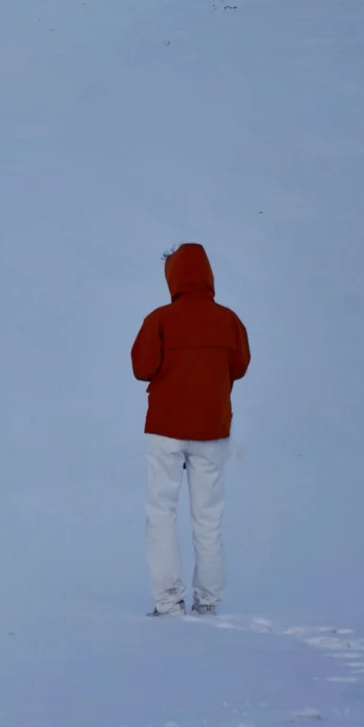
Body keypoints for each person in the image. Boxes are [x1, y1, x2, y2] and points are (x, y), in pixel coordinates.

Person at [131, 243, 250, 617]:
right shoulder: (229, 320)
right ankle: (208, 601)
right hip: (212, 430)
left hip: (166, 429)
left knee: (161, 513)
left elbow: (142, 368)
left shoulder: (160, 319)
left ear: (174, 277)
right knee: (208, 518)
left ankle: (168, 602)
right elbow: (240, 366)